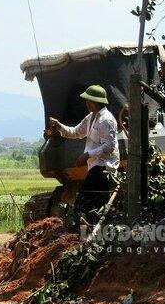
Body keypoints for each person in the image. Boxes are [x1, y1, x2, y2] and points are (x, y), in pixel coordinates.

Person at [49, 84, 119, 225]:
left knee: (85, 201)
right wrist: (59, 126)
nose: (86, 103)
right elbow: (75, 132)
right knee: (93, 202)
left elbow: (110, 146)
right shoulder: (91, 118)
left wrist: (87, 155)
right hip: (95, 166)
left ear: (96, 102)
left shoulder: (106, 120)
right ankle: (89, 232)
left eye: (89, 100)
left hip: (104, 167)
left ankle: (82, 233)